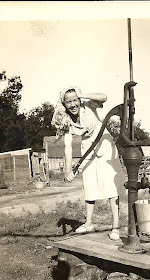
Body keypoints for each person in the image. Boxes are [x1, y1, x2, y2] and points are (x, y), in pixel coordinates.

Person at [51, 86, 125, 240]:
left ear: (79, 100)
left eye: (75, 100)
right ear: (64, 104)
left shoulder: (88, 106)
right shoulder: (65, 120)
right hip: (88, 150)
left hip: (104, 146)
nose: (73, 105)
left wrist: (83, 95)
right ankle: (89, 223)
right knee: (89, 184)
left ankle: (116, 226)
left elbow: (104, 96)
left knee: (110, 186)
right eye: (68, 102)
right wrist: (67, 170)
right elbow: (68, 148)